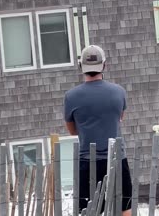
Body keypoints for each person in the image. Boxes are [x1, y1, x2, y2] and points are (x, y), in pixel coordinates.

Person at [63, 45, 132, 216]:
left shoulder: (71, 96)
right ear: (104, 65)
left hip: (87, 161)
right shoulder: (119, 92)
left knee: (88, 210)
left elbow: (72, 131)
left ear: (81, 67)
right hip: (117, 159)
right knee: (124, 208)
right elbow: (120, 118)